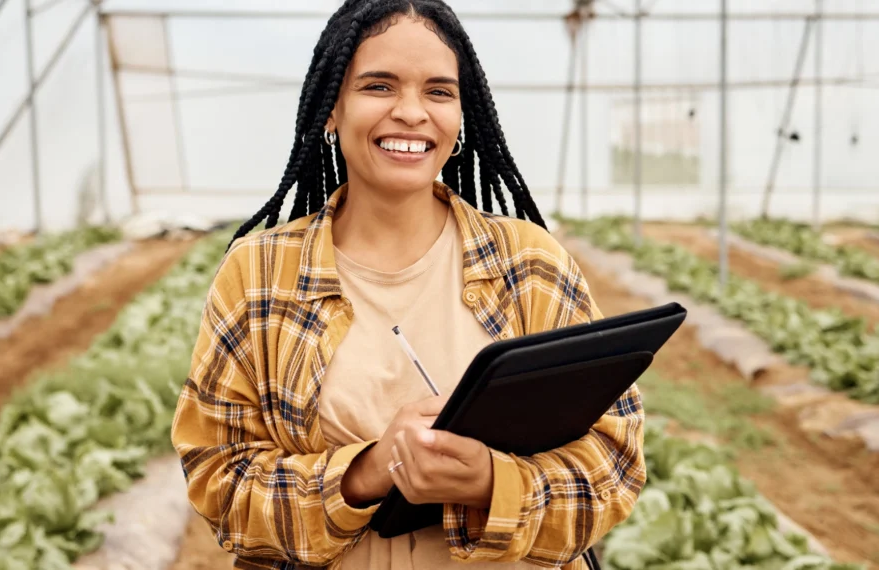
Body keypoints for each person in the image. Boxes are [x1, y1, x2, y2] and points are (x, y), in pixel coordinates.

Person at [170, 1, 645, 568]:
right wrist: (366, 471)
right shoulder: (259, 274)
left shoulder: (532, 264)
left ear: (461, 116)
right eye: (379, 86)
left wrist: (495, 483)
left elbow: (614, 467)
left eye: (439, 92)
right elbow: (218, 480)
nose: (412, 113)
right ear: (331, 110)